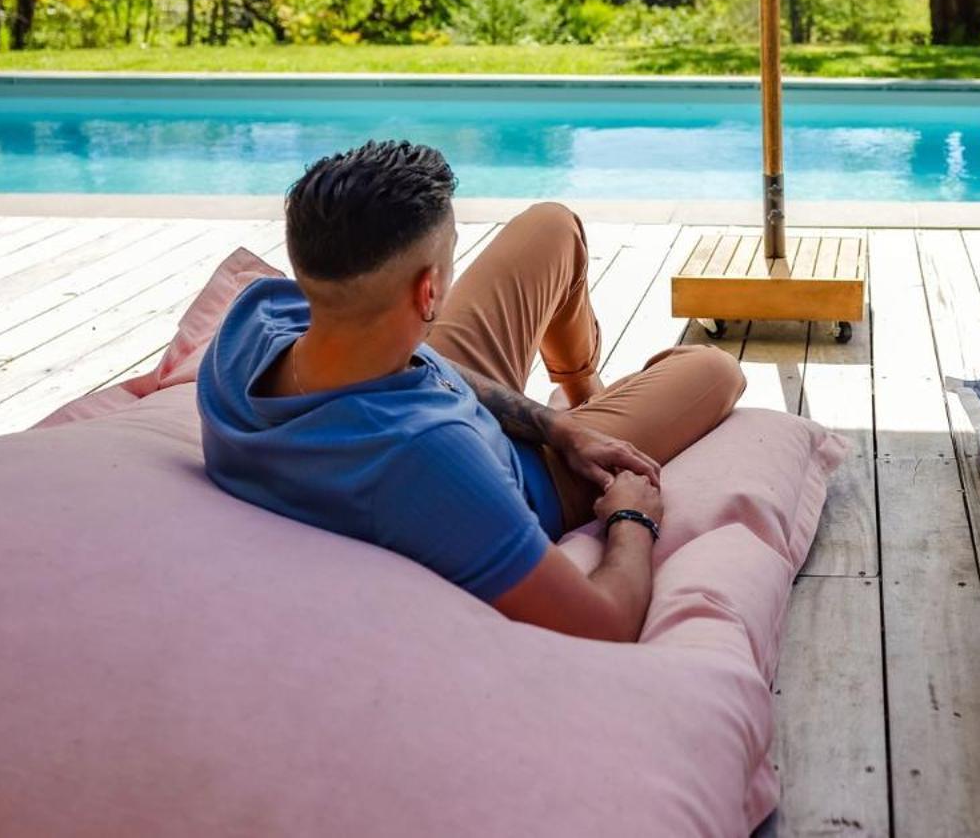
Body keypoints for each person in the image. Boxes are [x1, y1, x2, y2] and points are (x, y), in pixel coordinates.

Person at [197, 140, 745, 640]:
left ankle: (580, 395)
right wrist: (632, 518)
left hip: (426, 375)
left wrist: (560, 424)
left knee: (552, 224)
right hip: (531, 475)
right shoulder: (428, 455)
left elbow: (423, 359)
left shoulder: (256, 318)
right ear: (430, 291)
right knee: (714, 371)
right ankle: (594, 407)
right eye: (453, 250)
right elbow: (602, 621)